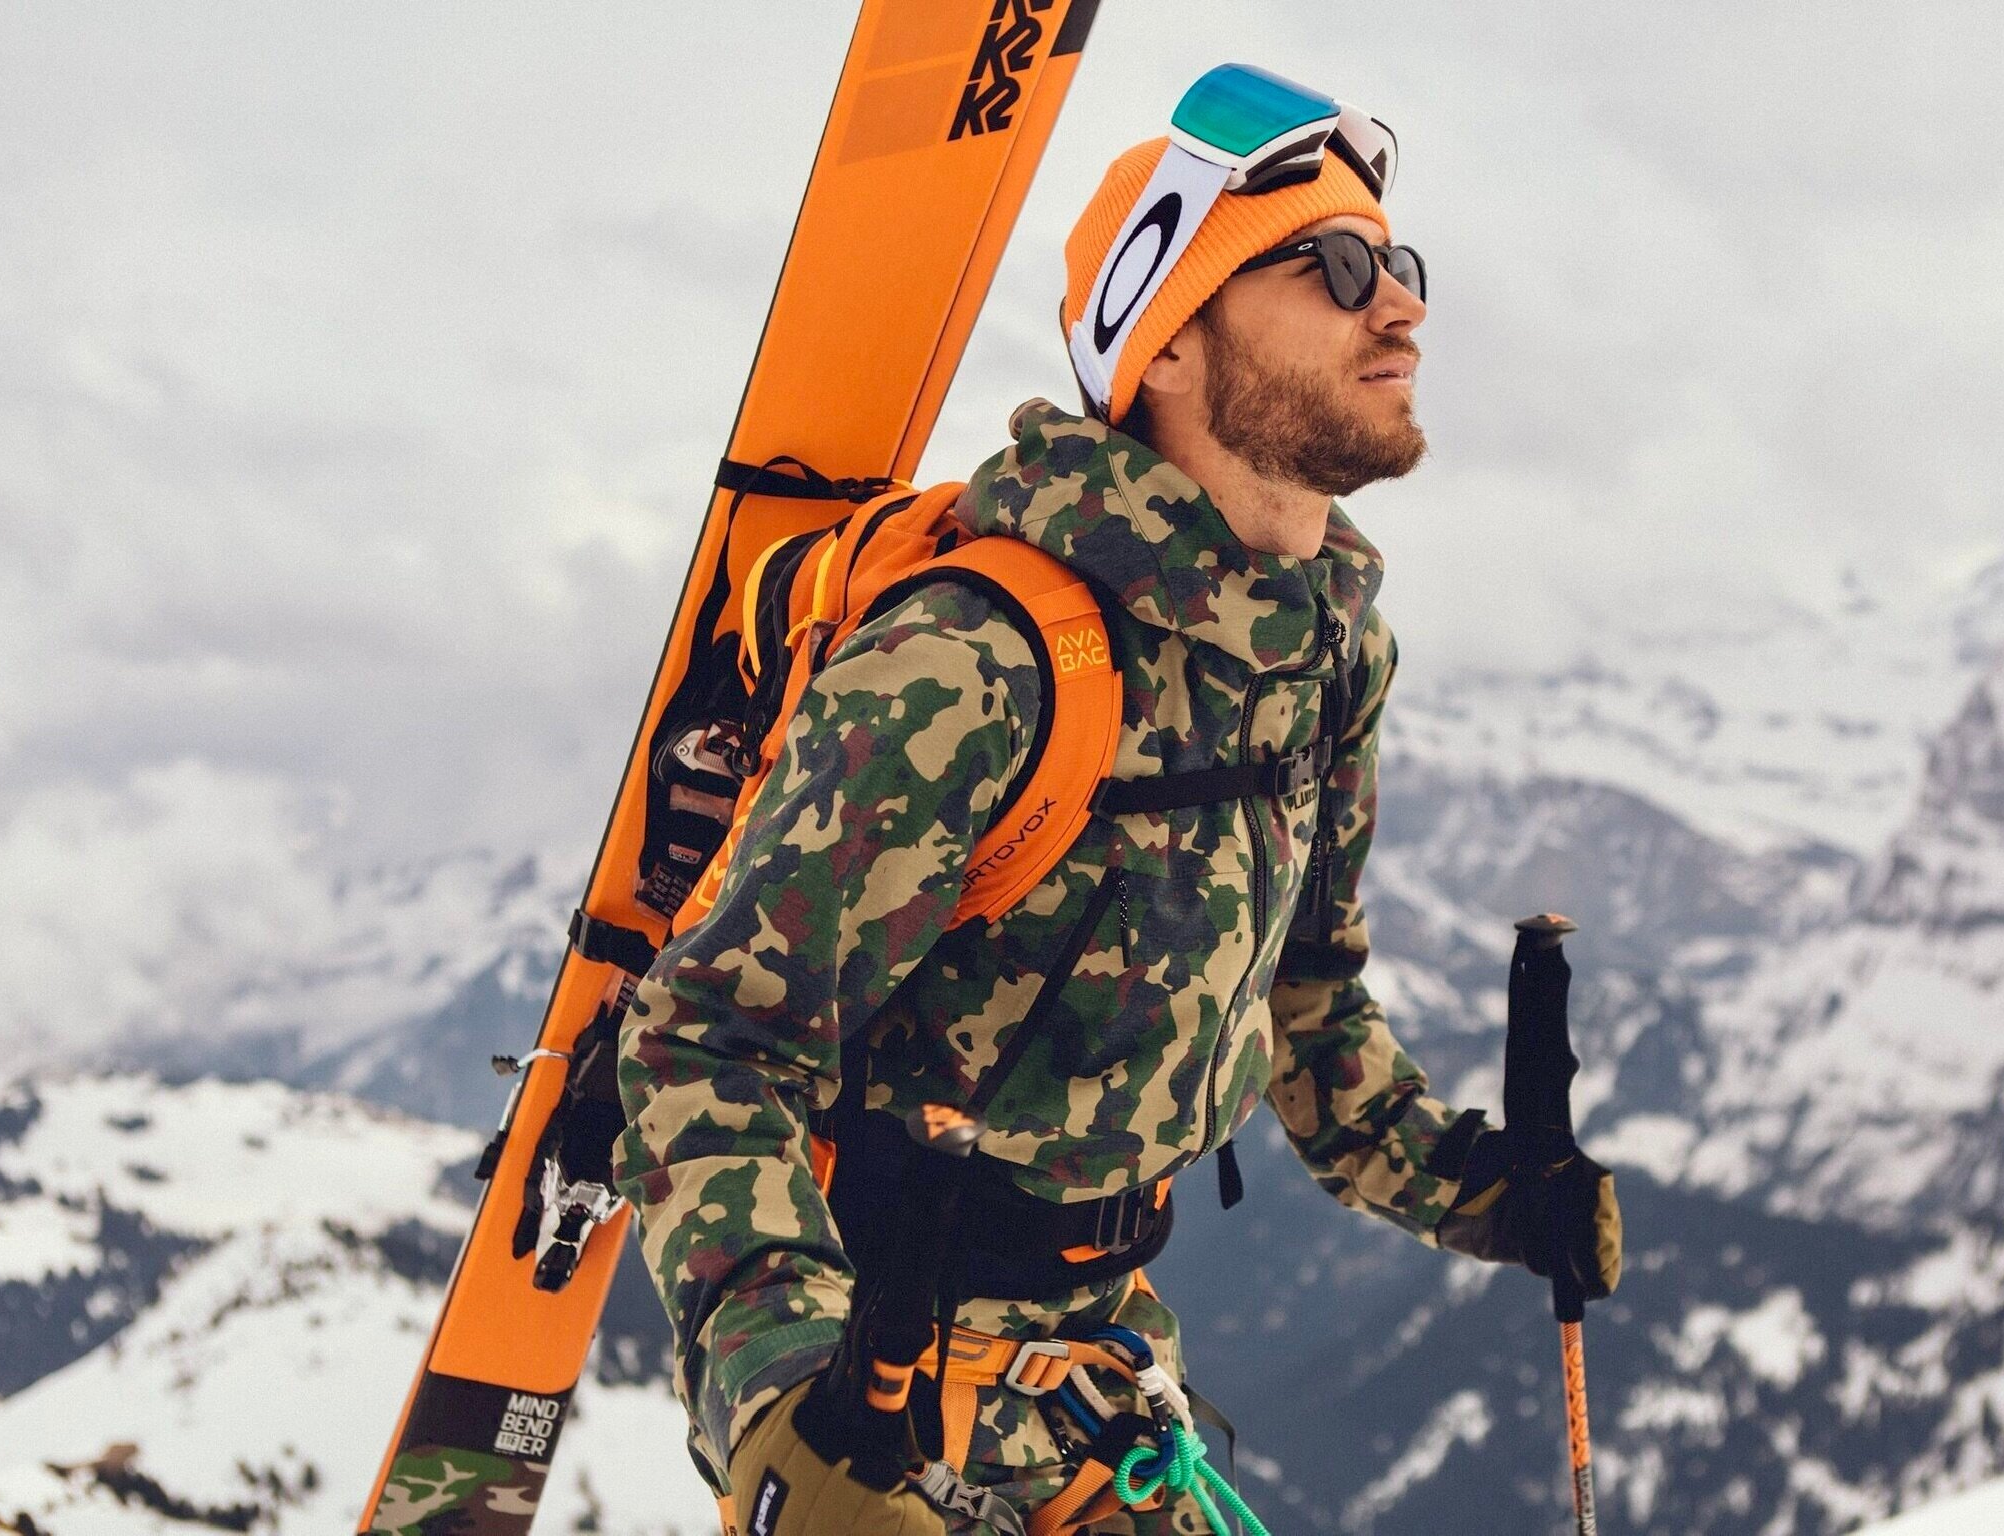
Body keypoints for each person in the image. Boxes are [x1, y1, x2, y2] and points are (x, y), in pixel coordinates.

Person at [615, 64, 1623, 1536]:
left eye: (1400, 266)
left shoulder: (1323, 657)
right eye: (1337, 269)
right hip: (887, 1423)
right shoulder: (975, 665)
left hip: (1107, 1376)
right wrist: (780, 1403)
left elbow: (1306, 1002)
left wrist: (1482, 1187)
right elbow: (708, 1036)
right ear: (1162, 343)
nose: (1400, 306)